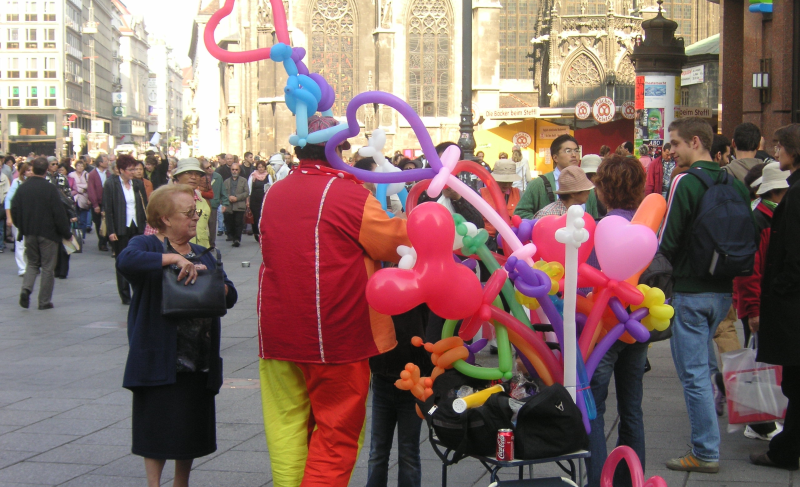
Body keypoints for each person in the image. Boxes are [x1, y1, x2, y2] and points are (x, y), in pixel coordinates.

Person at [257, 114, 409, 487]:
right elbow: (392, 241)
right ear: (333, 149)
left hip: (276, 332)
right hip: (335, 335)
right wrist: (410, 217)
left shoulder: (275, 191)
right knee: (337, 434)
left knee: (287, 426)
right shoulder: (346, 193)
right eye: (342, 147)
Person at [117, 184, 238, 487]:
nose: (195, 218)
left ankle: (180, 483)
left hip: (198, 356)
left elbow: (229, 292)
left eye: (195, 212)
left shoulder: (202, 253)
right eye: (188, 213)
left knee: (190, 430)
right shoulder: (146, 244)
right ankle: (154, 484)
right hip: (160, 355)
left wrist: (220, 289)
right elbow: (126, 261)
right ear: (165, 218)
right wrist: (173, 259)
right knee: (155, 427)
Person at [659, 117, 754, 473]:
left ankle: (705, 451)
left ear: (695, 142)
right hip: (723, 291)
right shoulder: (734, 181)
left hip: (691, 290)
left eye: (676, 144)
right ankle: (709, 440)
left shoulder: (684, 181)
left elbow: (668, 238)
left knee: (694, 374)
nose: (671, 151)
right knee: (705, 368)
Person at [584, 154, 649, 487]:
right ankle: (630, 481)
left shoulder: (602, 229)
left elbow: (587, 283)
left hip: (604, 332)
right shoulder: (647, 225)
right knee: (632, 409)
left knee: (594, 410)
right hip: (638, 326)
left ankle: (598, 481)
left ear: (603, 190)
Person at [748, 124, 800, 471]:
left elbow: (793, 254)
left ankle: (786, 450)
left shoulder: (795, 195)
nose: (775, 152)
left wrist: (779, 288)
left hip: (791, 305)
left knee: (795, 382)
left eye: (780, 146)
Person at [366, 306, 430, 487]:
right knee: (378, 451)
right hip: (383, 379)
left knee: (408, 452)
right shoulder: (381, 290)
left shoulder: (418, 293)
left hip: (412, 382)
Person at [12, 157, 72, 310]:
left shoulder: (23, 187)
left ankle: (26, 289)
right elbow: (58, 213)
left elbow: (14, 209)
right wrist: (66, 233)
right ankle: (44, 301)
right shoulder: (50, 188)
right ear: (46, 170)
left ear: (32, 168)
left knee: (32, 264)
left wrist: (22, 226)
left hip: (29, 232)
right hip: (48, 234)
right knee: (47, 267)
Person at [515, 134, 599, 219]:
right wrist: (543, 223)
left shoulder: (587, 187)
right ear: (555, 158)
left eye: (577, 150)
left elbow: (593, 218)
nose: (574, 155)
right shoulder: (538, 184)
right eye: (568, 151)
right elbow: (520, 213)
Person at [103, 154, 148, 305]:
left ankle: (138, 291)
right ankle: (124, 294)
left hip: (137, 226)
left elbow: (144, 205)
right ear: (121, 170)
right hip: (121, 227)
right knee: (122, 260)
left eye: (134, 169)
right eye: (130, 170)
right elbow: (108, 209)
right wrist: (111, 231)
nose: (133, 172)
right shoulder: (111, 184)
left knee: (139, 259)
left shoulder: (137, 184)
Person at [479, 160, 521, 251]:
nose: (506, 184)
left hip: (512, 243)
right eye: (502, 181)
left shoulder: (519, 194)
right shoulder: (482, 193)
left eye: (510, 181)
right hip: (488, 243)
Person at [173, 158, 211, 249]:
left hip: (201, 252)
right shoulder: (167, 199)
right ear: (178, 176)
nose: (194, 177)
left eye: (197, 174)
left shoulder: (201, 198)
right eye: (188, 173)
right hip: (176, 254)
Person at [5, 162, 31, 276]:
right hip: (19, 217)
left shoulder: (36, 183)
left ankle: (33, 265)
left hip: (32, 217)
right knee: (20, 243)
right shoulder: (17, 182)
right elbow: (8, 200)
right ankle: (22, 268)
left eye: (32, 170)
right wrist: (9, 217)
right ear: (24, 171)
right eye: (28, 170)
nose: (30, 172)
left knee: (32, 243)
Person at [88, 153, 111, 251]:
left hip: (107, 202)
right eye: (106, 161)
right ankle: (102, 242)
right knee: (98, 223)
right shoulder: (93, 174)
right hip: (98, 202)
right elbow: (91, 189)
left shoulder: (108, 173)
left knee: (107, 222)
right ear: (100, 163)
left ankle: (106, 240)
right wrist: (95, 204)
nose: (107, 163)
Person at [222, 163, 249, 247]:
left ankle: (237, 239)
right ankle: (232, 236)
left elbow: (246, 192)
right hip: (229, 206)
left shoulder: (243, 180)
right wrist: (228, 197)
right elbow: (223, 192)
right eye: (233, 169)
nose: (234, 171)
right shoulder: (226, 181)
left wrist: (237, 198)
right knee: (230, 223)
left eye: (236, 169)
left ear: (239, 170)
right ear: (231, 170)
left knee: (238, 223)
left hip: (239, 205)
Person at [247, 160, 274, 242]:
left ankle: (262, 232)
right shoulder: (253, 176)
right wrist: (248, 200)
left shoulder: (268, 176)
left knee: (263, 216)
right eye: (259, 167)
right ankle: (256, 232)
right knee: (255, 216)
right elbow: (249, 189)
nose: (261, 169)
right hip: (254, 199)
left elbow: (271, 187)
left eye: (262, 167)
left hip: (264, 199)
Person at [202, 159, 226, 248]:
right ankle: (203, 243)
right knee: (202, 225)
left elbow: (222, 190)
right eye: (207, 167)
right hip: (202, 204)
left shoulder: (217, 176)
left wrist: (224, 203)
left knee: (212, 225)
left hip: (213, 204)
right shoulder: (200, 178)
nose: (210, 168)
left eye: (210, 166)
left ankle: (211, 244)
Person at [68, 160, 93, 235]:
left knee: (83, 219)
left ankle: (83, 235)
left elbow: (89, 187)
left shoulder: (86, 175)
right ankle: (76, 234)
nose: (80, 167)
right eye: (78, 165)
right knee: (76, 218)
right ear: (75, 167)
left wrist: (89, 198)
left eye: (81, 166)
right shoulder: (71, 175)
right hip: (74, 198)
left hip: (84, 198)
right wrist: (81, 188)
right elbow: (71, 186)